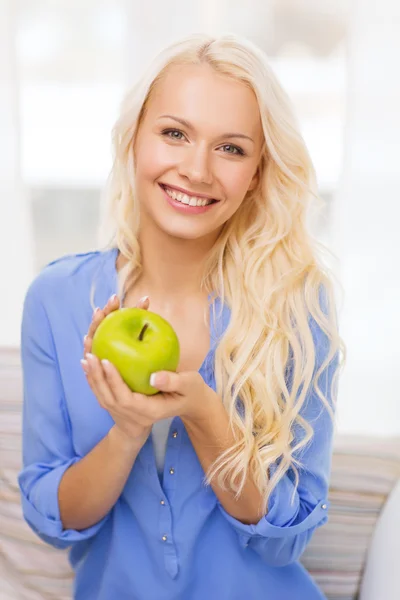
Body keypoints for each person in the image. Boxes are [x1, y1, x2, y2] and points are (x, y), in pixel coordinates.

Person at [18, 32, 345, 600]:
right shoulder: (56, 299)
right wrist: (127, 429)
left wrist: (205, 416)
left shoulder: (296, 305)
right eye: (174, 133)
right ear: (133, 140)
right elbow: (55, 521)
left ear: (258, 173)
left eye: (231, 148)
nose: (196, 170)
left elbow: (284, 541)